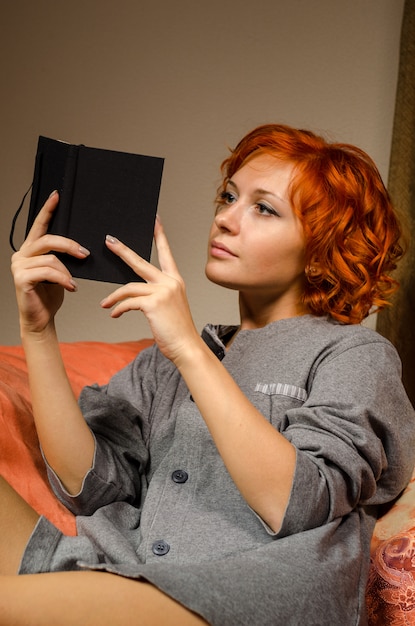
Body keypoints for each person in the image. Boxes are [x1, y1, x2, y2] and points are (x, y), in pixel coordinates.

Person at [2, 123, 414, 625]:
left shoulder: (356, 354)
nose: (225, 219)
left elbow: (298, 504)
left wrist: (188, 353)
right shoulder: (170, 358)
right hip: (125, 571)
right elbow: (89, 487)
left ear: (323, 247)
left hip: (247, 598)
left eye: (263, 208)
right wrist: (39, 329)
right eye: (229, 196)